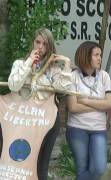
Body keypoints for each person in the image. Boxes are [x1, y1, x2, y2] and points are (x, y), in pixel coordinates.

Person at [7, 27, 72, 180]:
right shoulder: (20, 63)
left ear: (49, 47)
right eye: (38, 42)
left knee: (41, 165)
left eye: (45, 44)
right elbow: (14, 85)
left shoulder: (53, 68)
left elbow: (63, 89)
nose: (40, 47)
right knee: (19, 161)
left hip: (46, 121)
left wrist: (67, 64)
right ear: (32, 42)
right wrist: (30, 61)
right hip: (24, 119)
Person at [66, 41, 111, 180]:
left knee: (98, 168)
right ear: (86, 56)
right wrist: (99, 103)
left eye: (100, 55)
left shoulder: (104, 76)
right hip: (77, 128)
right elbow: (73, 107)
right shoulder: (73, 76)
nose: (100, 58)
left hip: (98, 129)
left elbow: (109, 103)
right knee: (82, 169)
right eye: (96, 55)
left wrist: (85, 100)